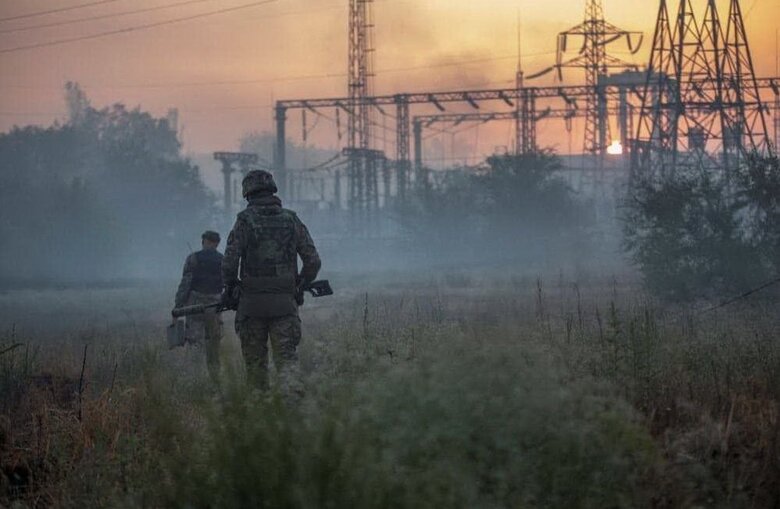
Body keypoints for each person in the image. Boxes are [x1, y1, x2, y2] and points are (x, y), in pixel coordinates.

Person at [222, 170, 321, 396]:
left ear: (248, 194)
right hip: (284, 306)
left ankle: (260, 412)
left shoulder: (244, 221)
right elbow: (313, 261)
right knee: (287, 367)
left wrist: (231, 288)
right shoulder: (291, 220)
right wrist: (300, 284)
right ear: (272, 190)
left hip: (251, 306)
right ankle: (292, 412)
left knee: (256, 371)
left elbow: (229, 263)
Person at [174, 230, 224, 383]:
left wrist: (178, 305)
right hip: (215, 307)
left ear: (204, 241)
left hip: (195, 306)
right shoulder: (223, 260)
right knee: (213, 345)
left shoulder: (193, 258)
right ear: (217, 244)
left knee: (196, 343)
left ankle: (196, 380)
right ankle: (215, 380)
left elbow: (185, 284)